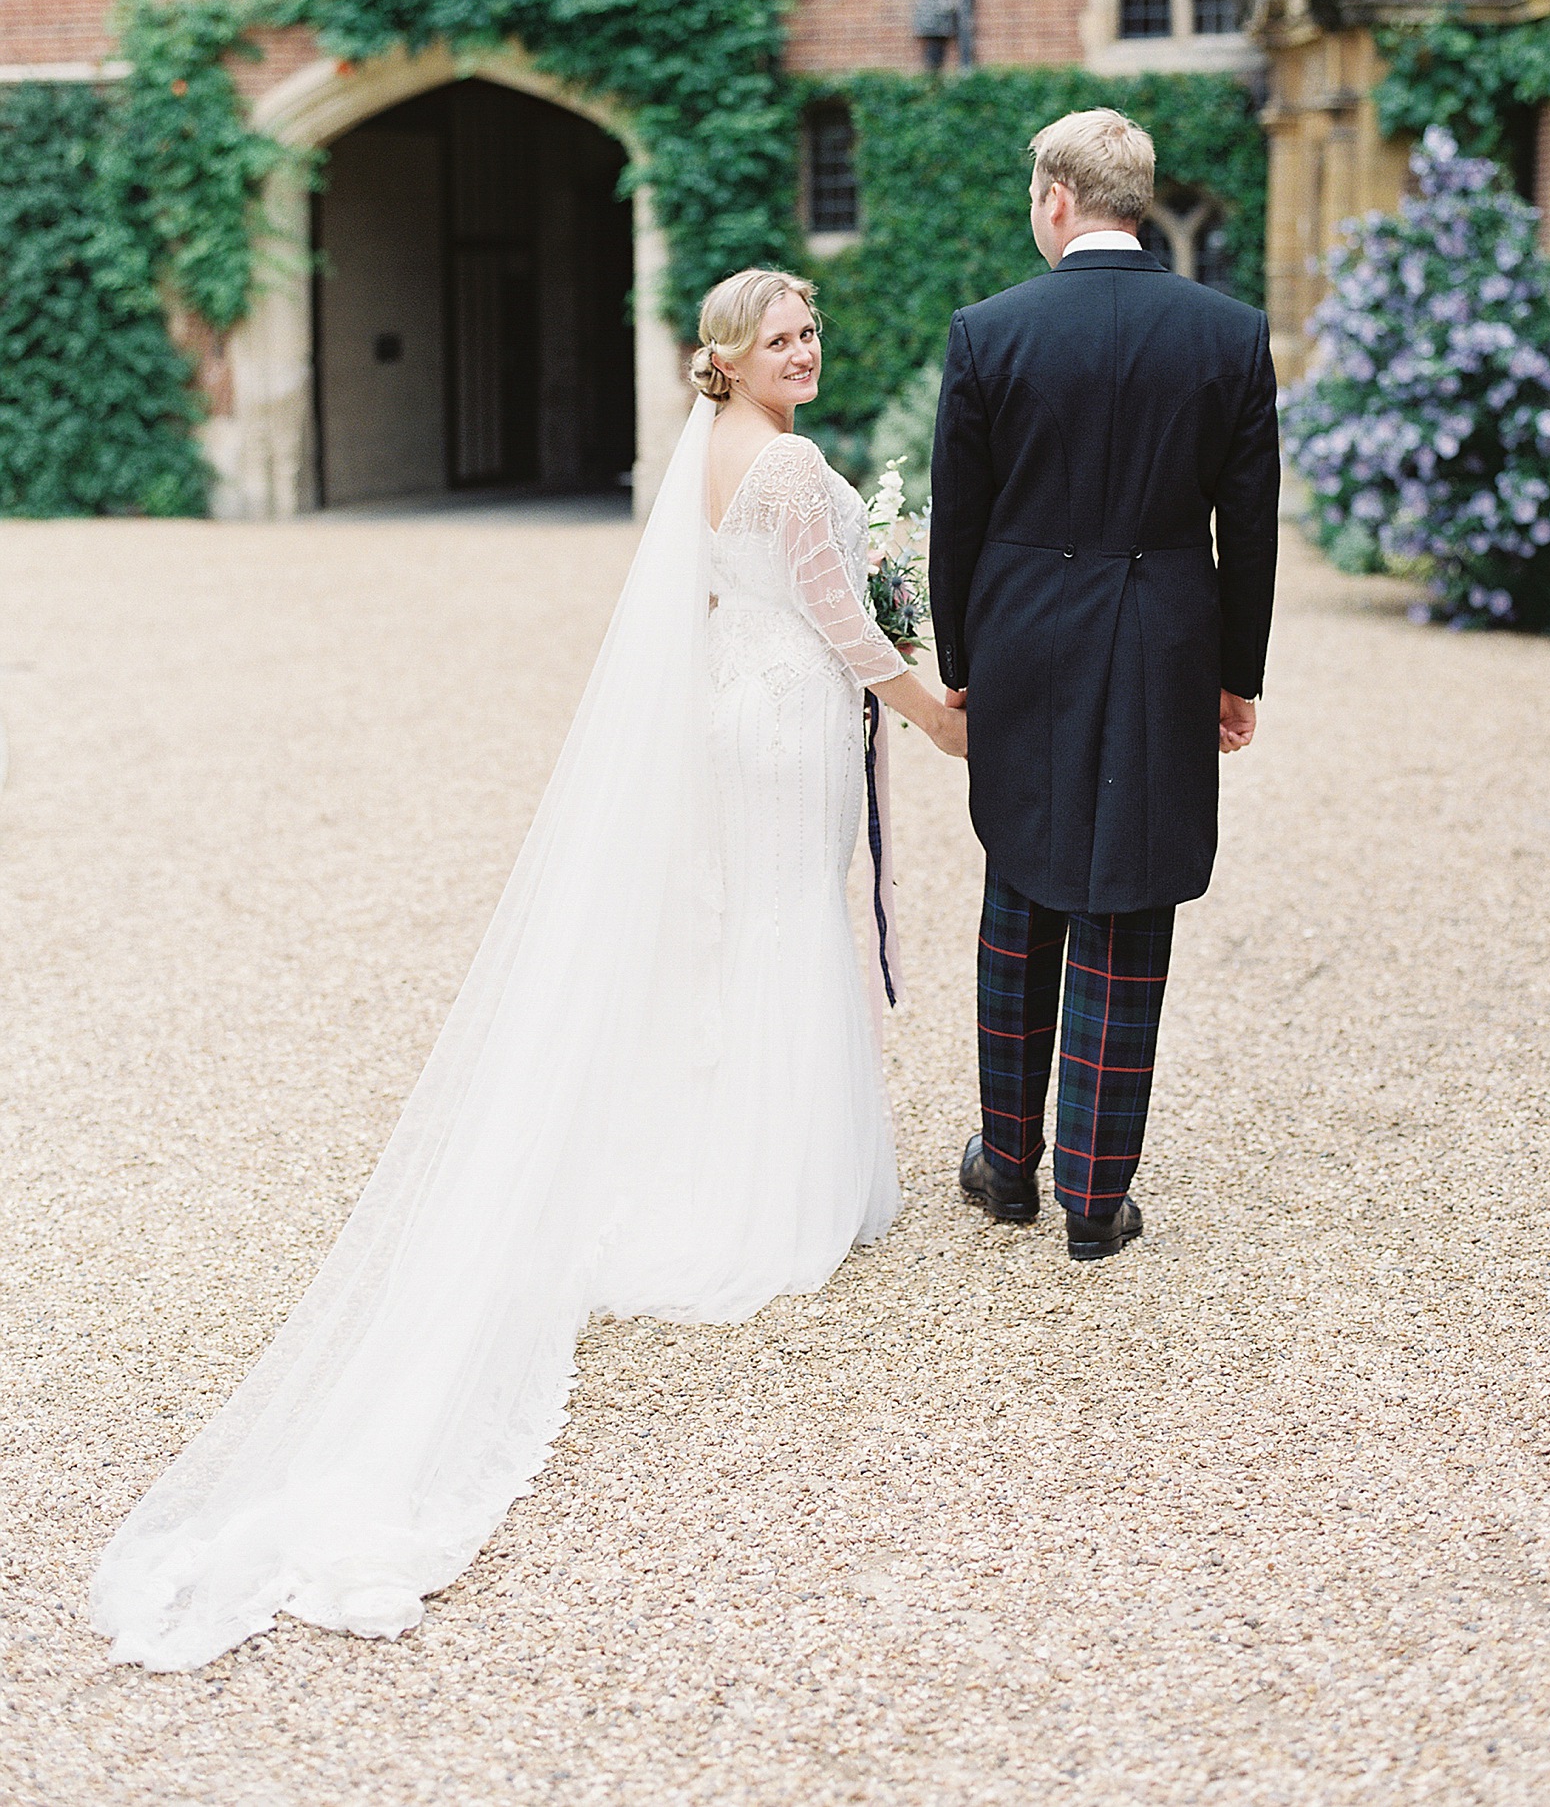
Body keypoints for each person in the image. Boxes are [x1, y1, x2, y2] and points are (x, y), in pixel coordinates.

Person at [91, 268, 965, 1672]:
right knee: (795, 927)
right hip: (793, 710)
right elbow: (843, 622)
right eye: (780, 337)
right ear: (728, 357)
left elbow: (701, 612)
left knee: (759, 931)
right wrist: (928, 710)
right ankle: (788, 1192)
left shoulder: (701, 461)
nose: (805, 351)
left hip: (735, 713)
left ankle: (764, 1150)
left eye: (811, 332)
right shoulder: (792, 463)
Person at [930, 109, 1280, 1262]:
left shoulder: (988, 332)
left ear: (1054, 199)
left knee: (1022, 885)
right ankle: (1093, 1196)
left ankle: (1007, 1165)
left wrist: (961, 669)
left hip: (1024, 642)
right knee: (1126, 897)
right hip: (1163, 643)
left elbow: (959, 527)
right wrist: (1234, 676)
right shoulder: (1228, 333)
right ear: (1135, 198)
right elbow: (1252, 527)